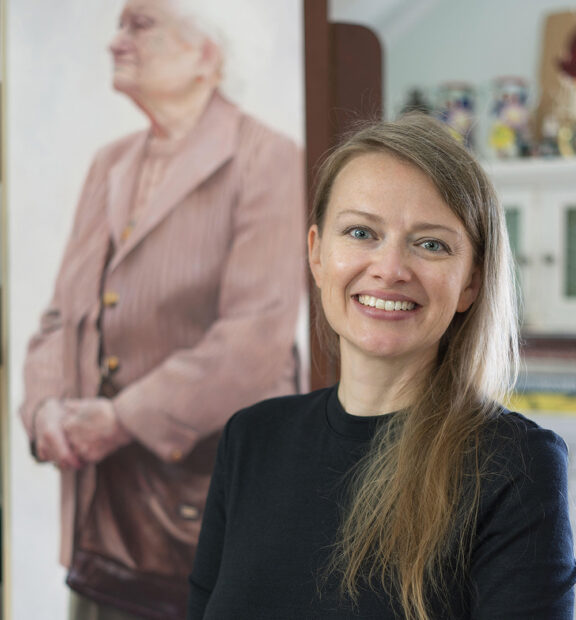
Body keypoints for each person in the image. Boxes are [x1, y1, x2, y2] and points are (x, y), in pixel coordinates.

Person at [187, 113, 576, 619]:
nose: (390, 269)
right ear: (317, 254)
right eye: (360, 232)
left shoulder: (514, 465)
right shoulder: (251, 439)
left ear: (470, 284)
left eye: (430, 244)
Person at [19, 1, 305, 619]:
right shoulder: (111, 162)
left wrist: (119, 419)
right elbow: (58, 317)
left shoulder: (269, 157)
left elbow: (254, 339)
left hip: (208, 518)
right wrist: (43, 411)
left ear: (208, 53)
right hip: (103, 521)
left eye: (139, 25)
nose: (116, 43)